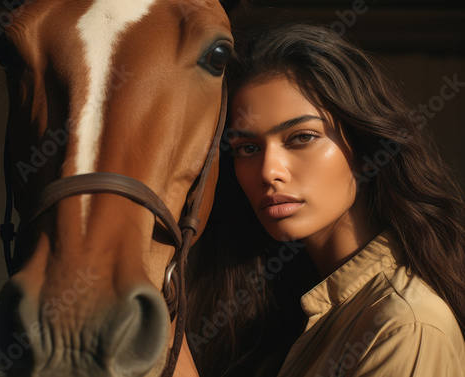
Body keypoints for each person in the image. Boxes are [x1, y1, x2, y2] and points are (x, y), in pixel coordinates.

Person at [186, 22, 465, 377]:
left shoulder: (405, 326)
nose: (268, 171)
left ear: (365, 149)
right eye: (248, 148)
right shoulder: (272, 310)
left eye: (301, 137)